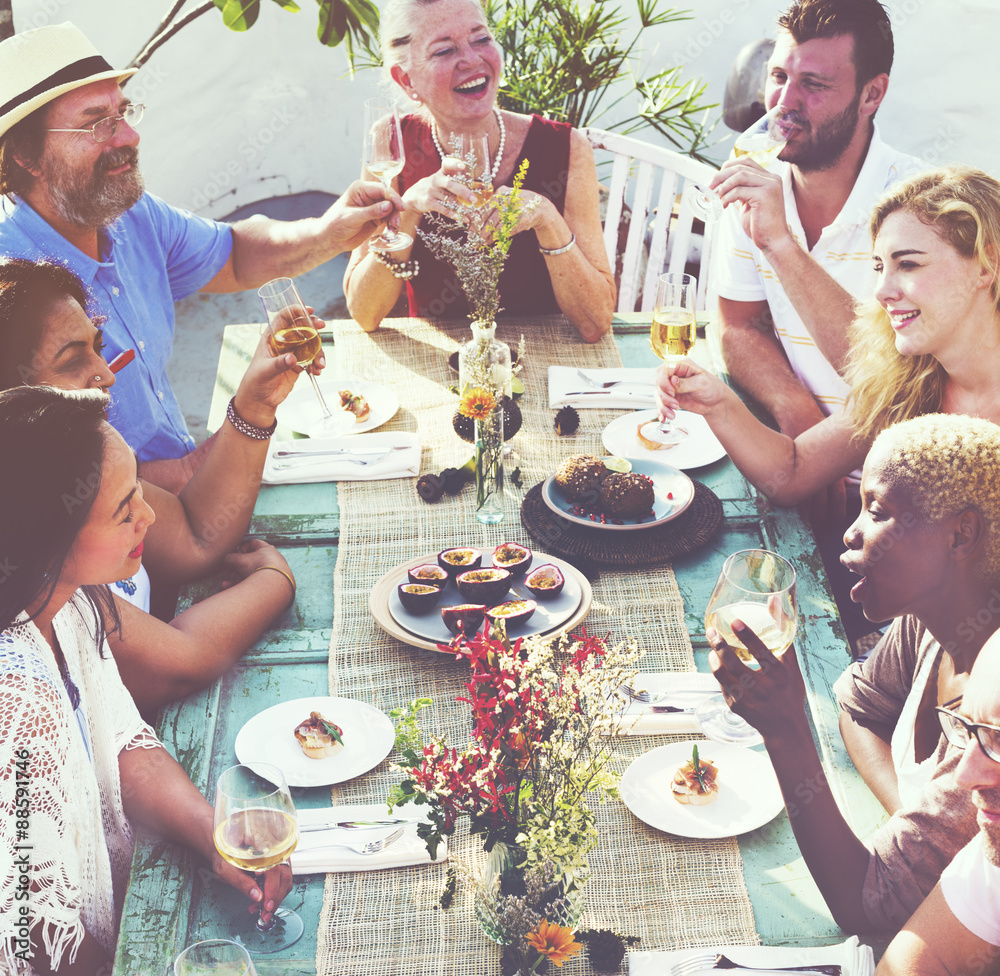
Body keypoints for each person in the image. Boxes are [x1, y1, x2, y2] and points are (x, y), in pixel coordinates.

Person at [0, 22, 403, 493]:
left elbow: (233, 255)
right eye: (97, 124)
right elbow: (43, 482)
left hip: (188, 482)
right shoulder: (12, 285)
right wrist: (240, 431)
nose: (128, 136)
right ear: (26, 156)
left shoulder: (126, 214)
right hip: (117, 531)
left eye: (124, 114)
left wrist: (329, 232)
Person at [0, 386, 292, 975]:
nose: (149, 515)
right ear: (51, 536)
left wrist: (214, 835)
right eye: (123, 507)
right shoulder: (16, 703)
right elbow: (36, 940)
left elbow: (123, 745)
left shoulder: (71, 602)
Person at [657, 164, 1000, 649]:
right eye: (879, 267)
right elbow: (794, 471)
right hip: (905, 643)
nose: (881, 291)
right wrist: (716, 402)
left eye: (909, 264)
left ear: (986, 265)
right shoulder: (912, 384)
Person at [707, 413, 1000, 933]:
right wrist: (909, 824)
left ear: (961, 536)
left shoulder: (987, 735)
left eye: (877, 511)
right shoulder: (934, 620)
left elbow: (866, 911)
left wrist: (786, 728)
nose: (851, 531)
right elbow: (857, 707)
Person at [0, 257, 307, 717]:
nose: (105, 374)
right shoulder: (33, 536)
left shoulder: (81, 467)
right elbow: (181, 662)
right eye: (72, 360)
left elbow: (195, 535)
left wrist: (257, 403)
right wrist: (276, 580)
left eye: (97, 347)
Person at [709, 0, 921, 528]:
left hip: (896, 496)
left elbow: (896, 377)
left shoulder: (920, 211)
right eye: (779, 76)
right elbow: (736, 325)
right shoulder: (756, 175)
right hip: (783, 453)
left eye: (815, 85)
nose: (784, 102)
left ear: (872, 94)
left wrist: (782, 244)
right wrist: (795, 407)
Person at [343, 0, 615, 343]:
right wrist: (408, 210)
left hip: (548, 361)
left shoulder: (567, 147)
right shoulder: (392, 143)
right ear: (406, 79)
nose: (472, 60)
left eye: (481, 39)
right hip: (440, 363)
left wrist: (546, 218)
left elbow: (596, 323)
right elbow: (365, 314)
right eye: (444, 51)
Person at [875, 630, 1000, 975]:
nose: (965, 775)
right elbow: (906, 965)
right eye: (971, 730)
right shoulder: (993, 858)